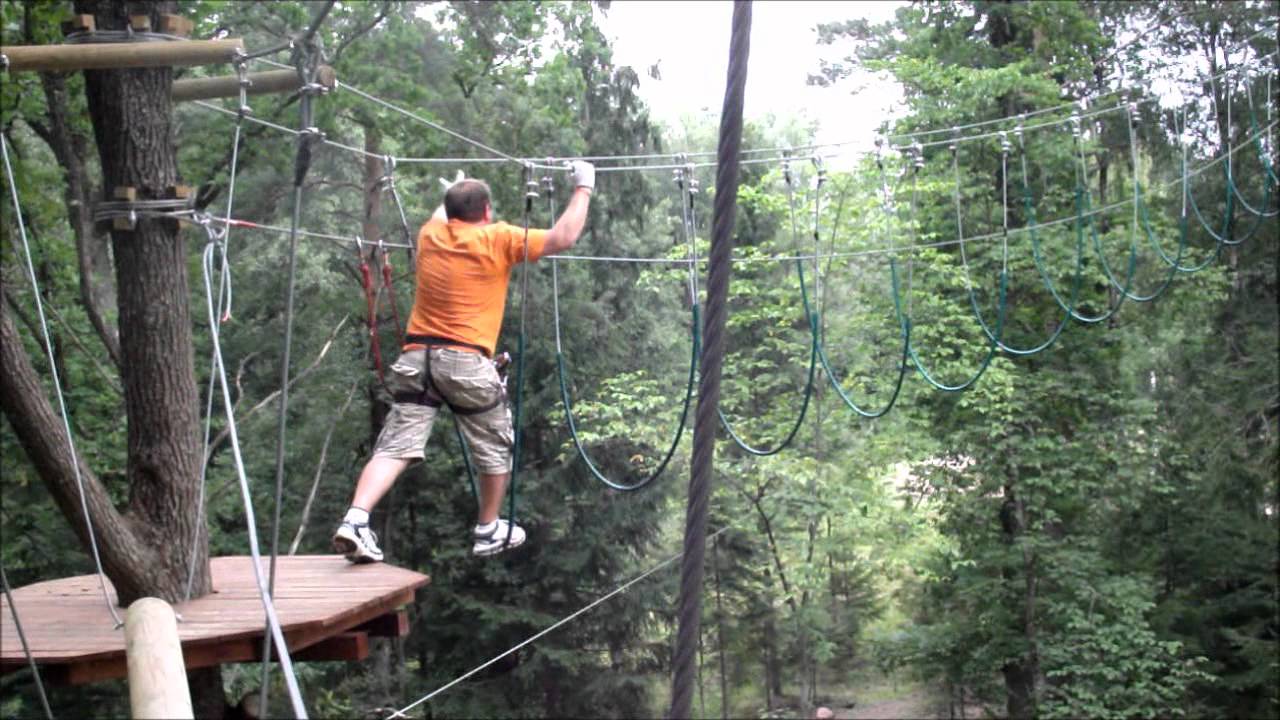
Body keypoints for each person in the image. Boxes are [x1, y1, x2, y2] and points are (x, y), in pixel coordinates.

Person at [332, 161, 595, 563]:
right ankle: (488, 528)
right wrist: (584, 187)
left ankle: (355, 519)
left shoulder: (431, 234)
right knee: (494, 443)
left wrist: (452, 193)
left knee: (397, 446)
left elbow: (444, 213)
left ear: (451, 212)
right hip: (465, 361)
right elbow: (564, 236)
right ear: (487, 212)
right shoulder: (500, 239)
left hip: (418, 359)